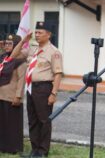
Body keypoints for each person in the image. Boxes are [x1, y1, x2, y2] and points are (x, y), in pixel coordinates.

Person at [14, 21, 63, 157]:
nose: (37, 35)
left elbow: (58, 74)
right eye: (36, 32)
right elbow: (14, 55)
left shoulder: (54, 52)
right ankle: (34, 150)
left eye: (40, 32)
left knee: (44, 120)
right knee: (32, 119)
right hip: (30, 88)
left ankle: (42, 151)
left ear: (49, 35)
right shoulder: (32, 48)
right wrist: (24, 40)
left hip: (44, 88)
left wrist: (53, 93)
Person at [0, 34, 26, 154]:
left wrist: (18, 96)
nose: (7, 46)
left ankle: (13, 147)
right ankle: (3, 146)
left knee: (12, 124)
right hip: (1, 95)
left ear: (16, 45)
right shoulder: (3, 58)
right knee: (3, 123)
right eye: (5, 43)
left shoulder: (20, 61)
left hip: (12, 96)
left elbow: (22, 79)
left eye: (10, 44)